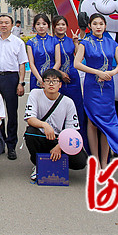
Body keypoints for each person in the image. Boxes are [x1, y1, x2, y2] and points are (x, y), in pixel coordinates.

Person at [74, 13, 118, 165]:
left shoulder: (112, 44)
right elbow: (77, 63)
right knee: (92, 122)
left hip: (108, 86)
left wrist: (111, 73)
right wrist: (97, 72)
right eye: (95, 24)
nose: (98, 27)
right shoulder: (85, 43)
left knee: (106, 123)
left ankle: (105, 160)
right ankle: (95, 159)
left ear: (105, 26)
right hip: (92, 86)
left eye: (101, 24)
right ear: (90, 26)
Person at [23, 68, 88, 181]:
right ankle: (38, 164)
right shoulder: (35, 94)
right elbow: (30, 118)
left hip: (59, 139)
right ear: (43, 84)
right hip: (43, 135)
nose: (51, 83)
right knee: (30, 133)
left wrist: (60, 146)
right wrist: (45, 125)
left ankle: (56, 162)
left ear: (60, 85)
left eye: (55, 81)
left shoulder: (68, 102)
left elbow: (72, 131)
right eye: (48, 80)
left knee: (81, 161)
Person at [0, 14, 27, 160]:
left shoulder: (18, 42)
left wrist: (21, 83)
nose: (4, 25)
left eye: (6, 23)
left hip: (11, 78)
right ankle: (0, 141)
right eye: (1, 22)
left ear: (11, 25)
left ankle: (11, 145)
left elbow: (22, 64)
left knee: (11, 112)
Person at [52, 15, 85, 147]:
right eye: (58, 24)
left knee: (76, 109)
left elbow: (79, 57)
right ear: (54, 26)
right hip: (57, 80)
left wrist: (76, 42)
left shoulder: (71, 40)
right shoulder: (51, 41)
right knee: (58, 110)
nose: (61, 27)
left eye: (63, 24)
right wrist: (60, 74)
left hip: (73, 79)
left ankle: (78, 141)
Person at [26, 13, 56, 90]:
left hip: (53, 78)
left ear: (48, 25)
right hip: (36, 78)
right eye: (38, 24)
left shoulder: (54, 41)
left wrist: (50, 78)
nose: (41, 26)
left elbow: (58, 61)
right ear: (34, 26)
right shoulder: (31, 42)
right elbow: (31, 63)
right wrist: (40, 79)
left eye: (44, 24)